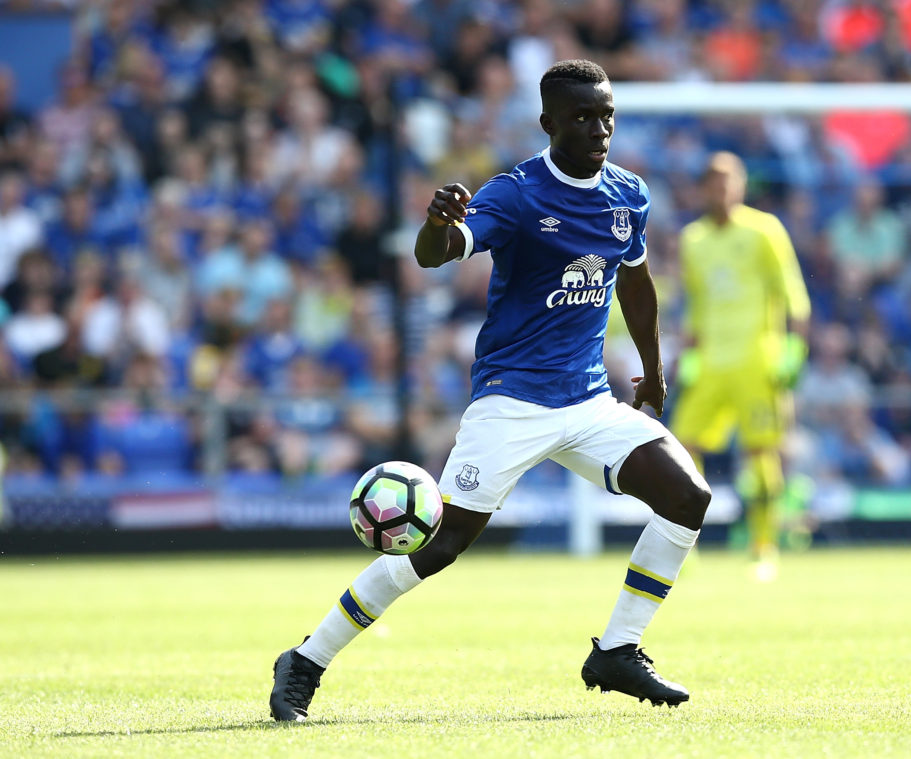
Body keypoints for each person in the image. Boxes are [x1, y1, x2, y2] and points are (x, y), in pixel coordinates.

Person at [269, 60, 711, 721]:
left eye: (607, 115)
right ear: (548, 124)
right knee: (439, 546)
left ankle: (618, 648)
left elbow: (636, 284)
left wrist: (650, 369)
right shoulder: (517, 193)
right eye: (583, 117)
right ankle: (306, 658)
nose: (599, 129)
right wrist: (438, 223)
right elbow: (435, 254)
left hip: (589, 400)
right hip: (511, 400)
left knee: (687, 496)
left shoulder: (629, 194)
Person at [672, 152, 810, 582]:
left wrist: (794, 349)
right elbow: (694, 303)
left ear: (742, 185)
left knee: (761, 453)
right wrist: (690, 356)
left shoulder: (764, 230)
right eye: (713, 182)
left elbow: (792, 293)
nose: (722, 189)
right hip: (711, 362)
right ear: (703, 189)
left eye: (729, 181)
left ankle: (763, 546)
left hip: (756, 359)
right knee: (679, 447)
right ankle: (683, 545)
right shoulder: (692, 239)